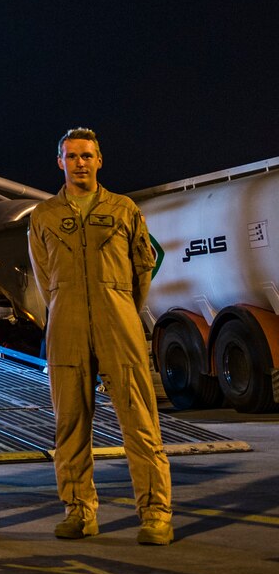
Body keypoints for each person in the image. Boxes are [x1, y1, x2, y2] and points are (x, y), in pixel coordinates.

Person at [28, 128, 174, 545]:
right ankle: (78, 512)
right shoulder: (44, 217)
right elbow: (44, 278)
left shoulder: (125, 209)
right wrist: (67, 303)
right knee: (70, 425)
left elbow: (142, 271)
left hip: (118, 326)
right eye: (72, 156)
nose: (80, 163)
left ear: (99, 160)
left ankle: (156, 514)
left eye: (87, 156)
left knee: (140, 423)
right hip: (66, 327)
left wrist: (120, 305)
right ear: (61, 162)